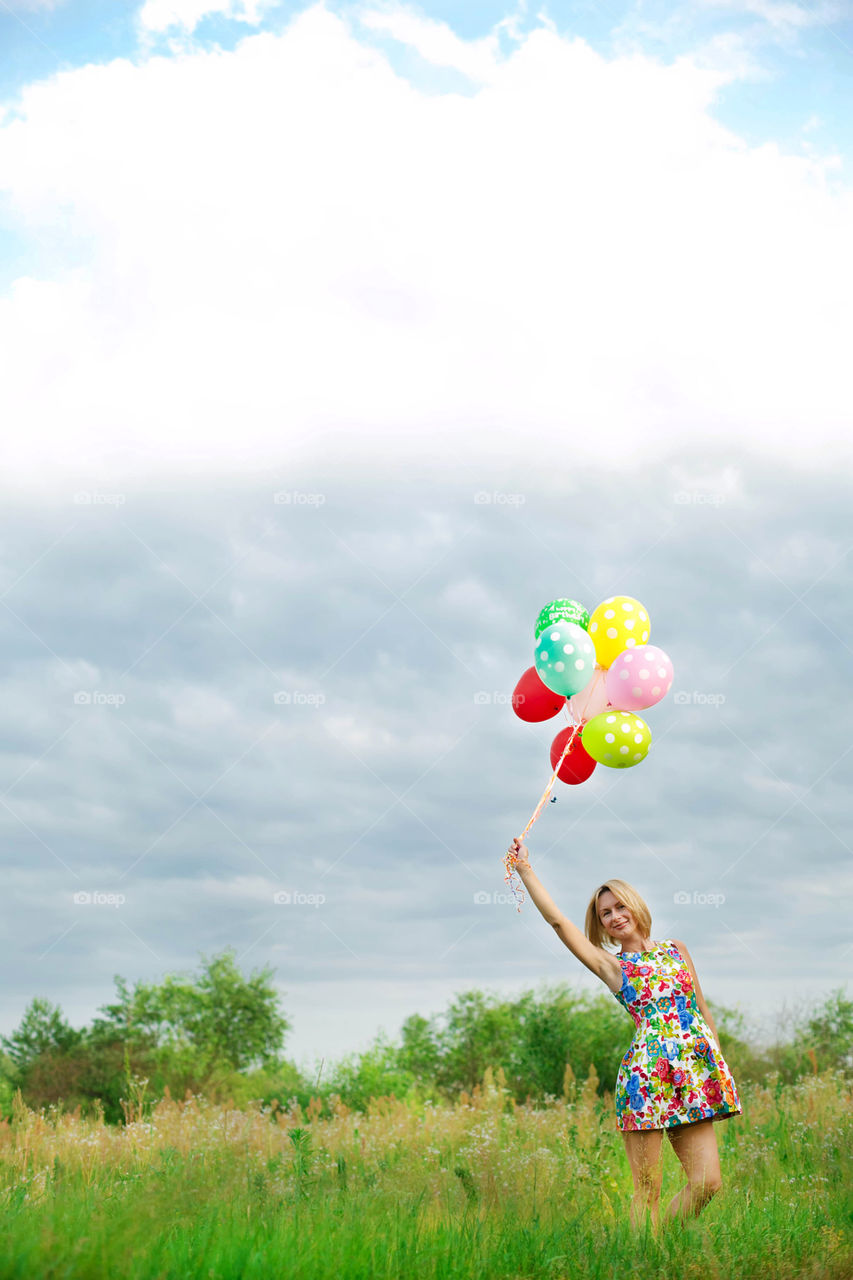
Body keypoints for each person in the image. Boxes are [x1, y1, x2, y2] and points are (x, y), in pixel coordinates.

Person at [507, 835, 742, 1233]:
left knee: (707, 1183)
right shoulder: (612, 966)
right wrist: (525, 869)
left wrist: (716, 1067)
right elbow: (559, 923)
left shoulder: (676, 949)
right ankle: (644, 1261)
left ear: (635, 905)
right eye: (604, 914)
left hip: (694, 1076)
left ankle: (659, 1242)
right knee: (647, 1191)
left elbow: (701, 1010)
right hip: (646, 1079)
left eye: (619, 906)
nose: (615, 916)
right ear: (600, 926)